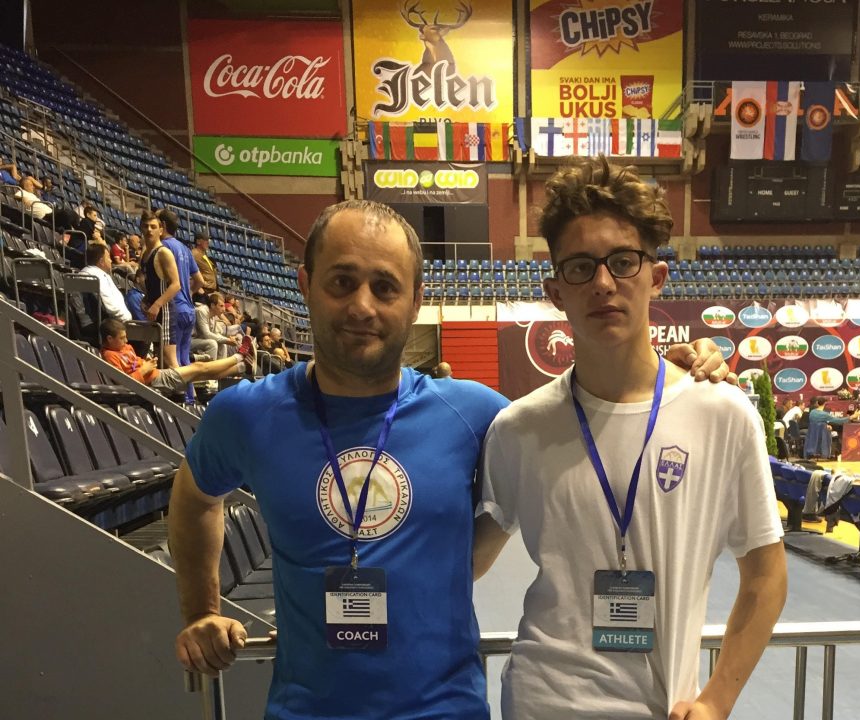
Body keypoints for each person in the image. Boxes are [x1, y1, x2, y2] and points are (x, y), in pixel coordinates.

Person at [168, 198, 733, 719]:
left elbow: (598, 414)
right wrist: (201, 610)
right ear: (305, 284)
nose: (362, 305)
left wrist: (669, 373)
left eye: (385, 287)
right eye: (342, 282)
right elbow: (195, 499)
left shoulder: (476, 415)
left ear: (416, 301)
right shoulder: (247, 415)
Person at [473, 157, 786, 720]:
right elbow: (466, 561)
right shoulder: (518, 428)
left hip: (664, 709)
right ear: (555, 290)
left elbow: (766, 575)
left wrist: (717, 701)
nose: (602, 284)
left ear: (656, 276)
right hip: (542, 703)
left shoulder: (723, 414)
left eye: (622, 261)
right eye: (580, 267)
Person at [100, 318, 252, 392]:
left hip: (157, 374)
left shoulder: (125, 347)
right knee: (199, 367)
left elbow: (135, 363)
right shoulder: (109, 356)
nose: (126, 341)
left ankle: (242, 367)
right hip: (154, 381)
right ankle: (239, 356)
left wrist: (147, 362)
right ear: (109, 339)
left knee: (203, 374)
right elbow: (124, 384)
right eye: (122, 338)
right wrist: (144, 369)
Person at [157, 208, 203, 403]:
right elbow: (200, 280)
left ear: (163, 225)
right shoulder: (185, 248)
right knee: (184, 358)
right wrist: (189, 293)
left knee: (174, 358)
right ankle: (190, 399)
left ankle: (182, 398)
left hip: (174, 308)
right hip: (189, 309)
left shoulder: (163, 247)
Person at [139, 209, 181, 368]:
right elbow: (152, 284)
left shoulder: (164, 253)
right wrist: (146, 300)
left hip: (165, 311)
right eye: (146, 226)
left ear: (161, 230)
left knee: (169, 359)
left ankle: (183, 386)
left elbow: (176, 285)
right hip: (154, 312)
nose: (149, 230)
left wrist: (156, 305)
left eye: (153, 226)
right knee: (160, 359)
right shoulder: (145, 254)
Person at [79, 243, 131, 322]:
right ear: (101, 261)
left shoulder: (87, 273)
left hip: (96, 322)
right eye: (109, 257)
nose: (111, 260)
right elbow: (110, 307)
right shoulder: (96, 276)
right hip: (108, 323)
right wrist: (127, 319)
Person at [191, 230, 218, 297]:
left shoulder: (203, 255)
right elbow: (187, 271)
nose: (208, 242)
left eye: (208, 240)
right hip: (202, 289)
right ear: (198, 241)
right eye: (205, 240)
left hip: (209, 289)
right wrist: (197, 287)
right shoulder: (194, 254)